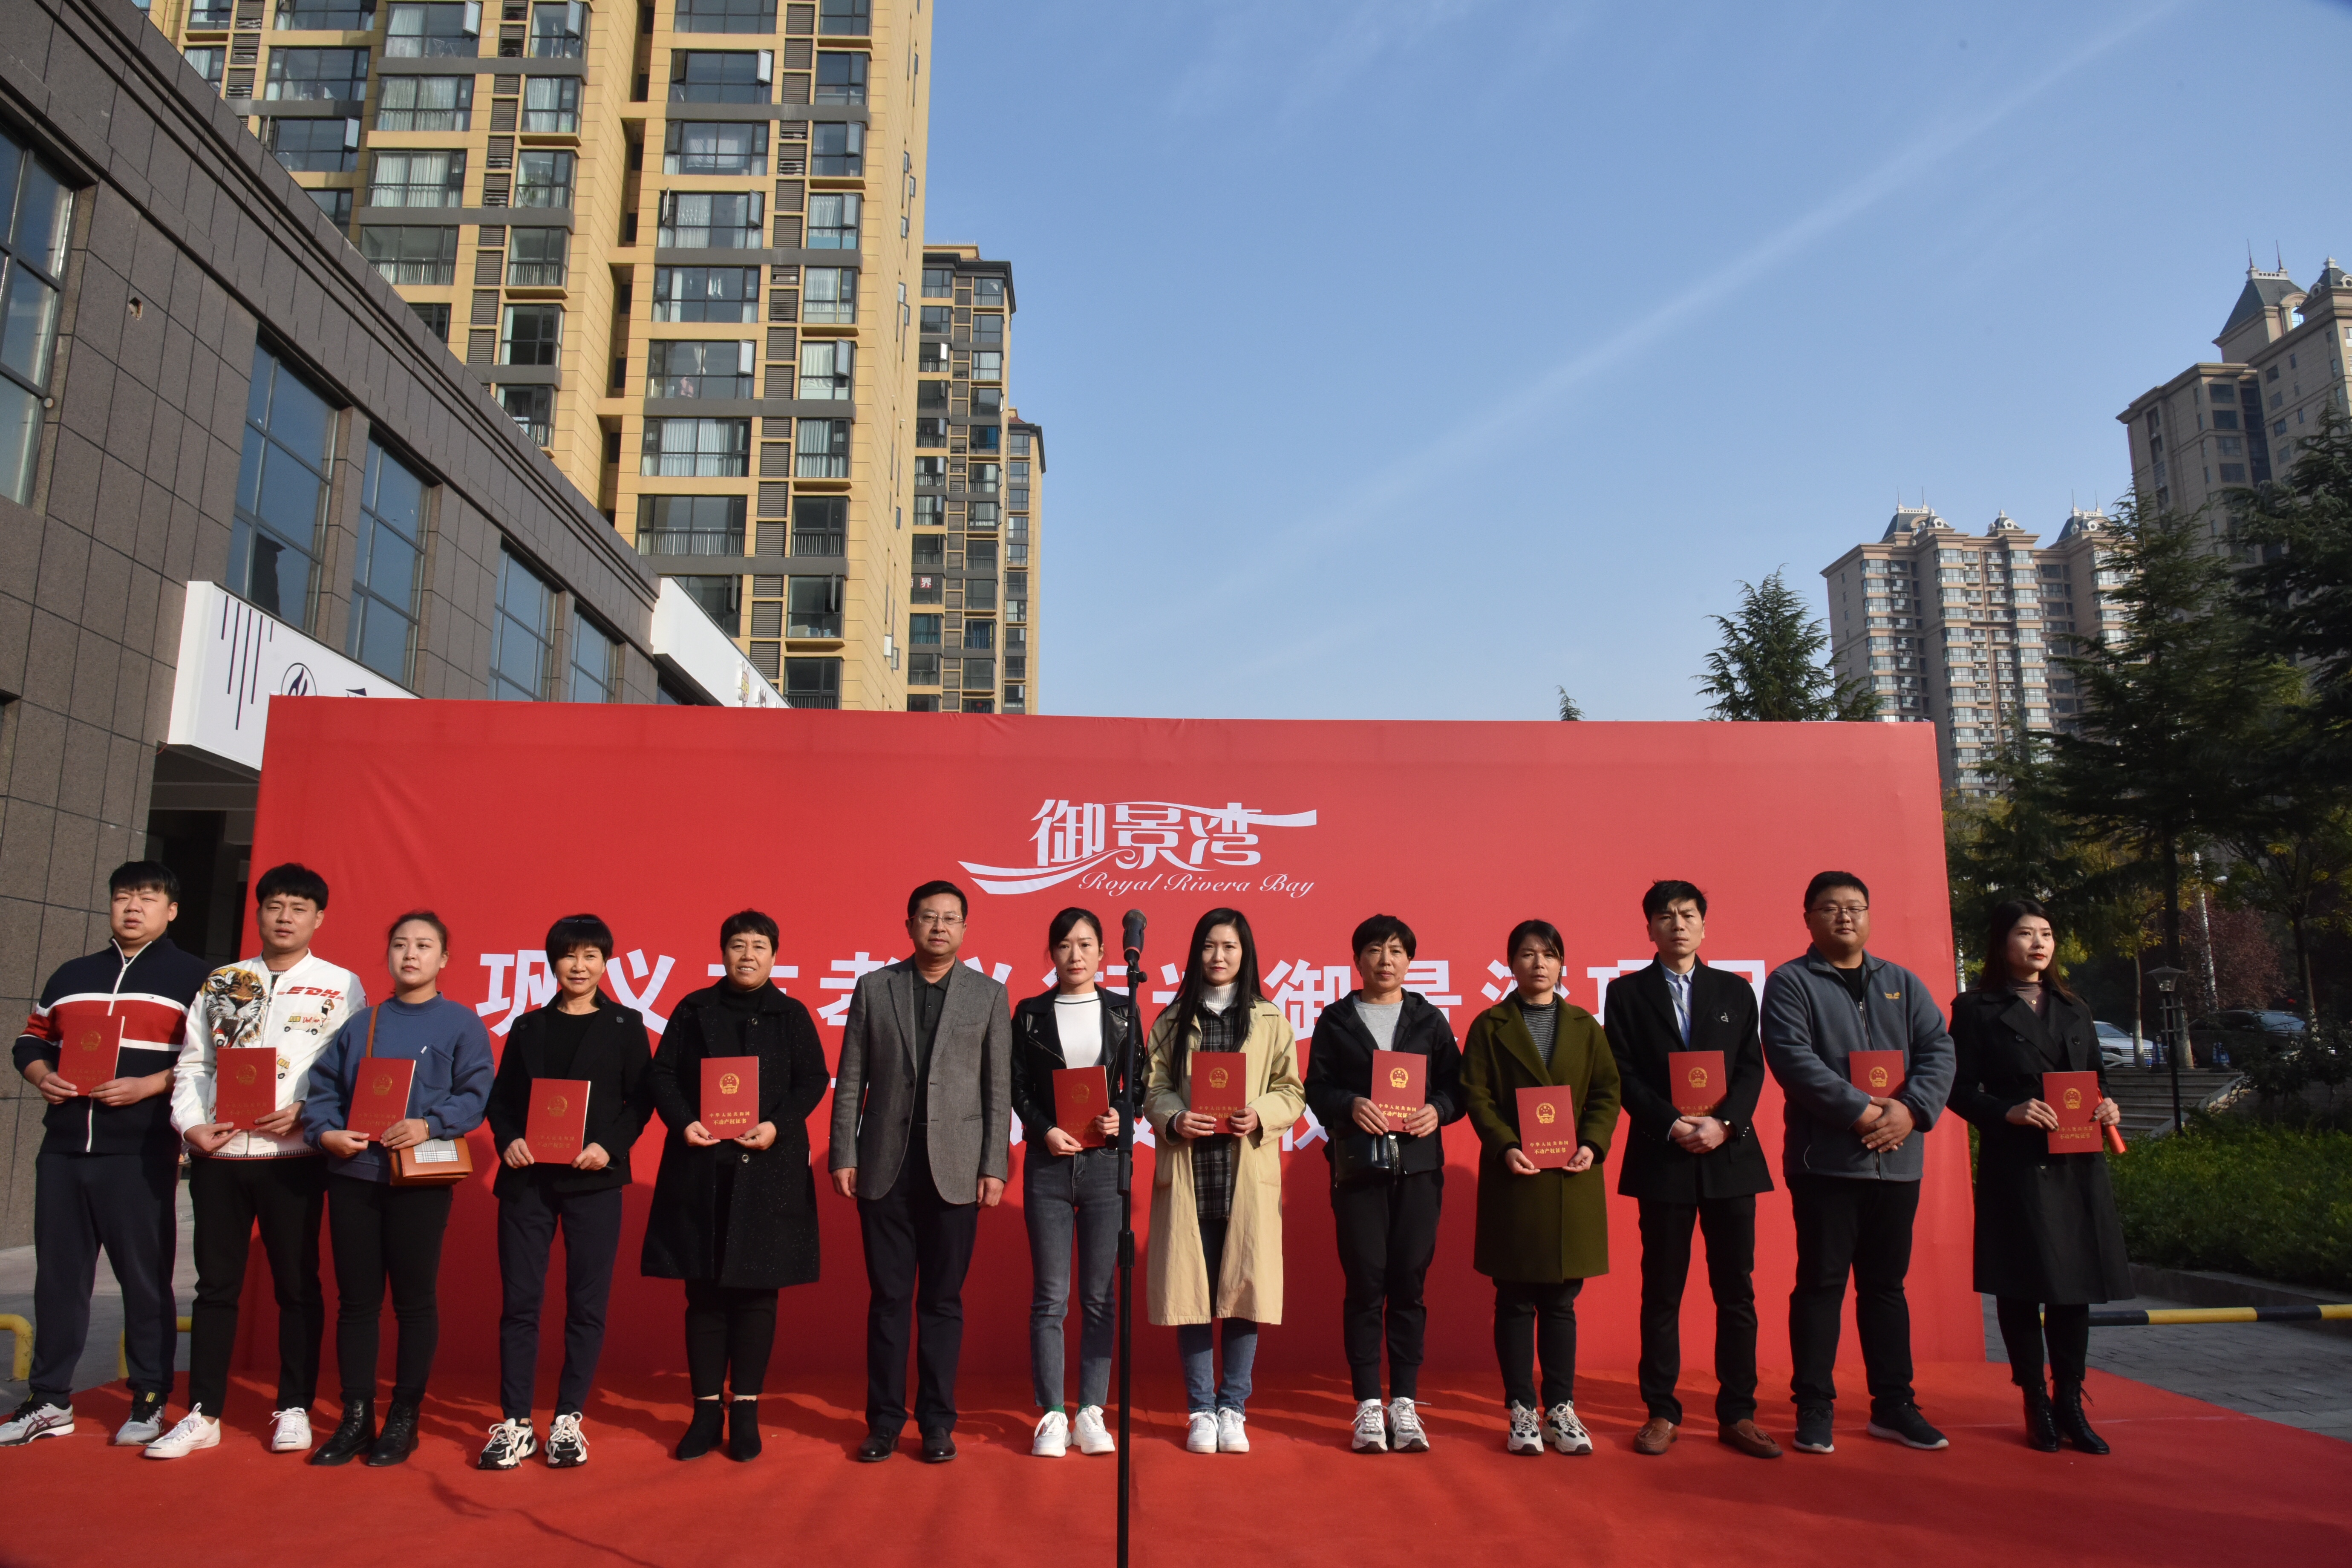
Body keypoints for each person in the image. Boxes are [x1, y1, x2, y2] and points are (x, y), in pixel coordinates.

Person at [148, 864, 366, 1461]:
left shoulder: (341, 986)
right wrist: (191, 1126)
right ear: (259, 912)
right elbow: (196, 1064)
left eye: (298, 907)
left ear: (318, 918)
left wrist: (309, 1112)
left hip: (293, 1157)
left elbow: (350, 1070)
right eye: (275, 905)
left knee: (297, 1284)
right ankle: (204, 1412)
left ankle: (294, 1406)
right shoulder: (225, 981)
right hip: (220, 1155)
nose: (285, 917)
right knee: (215, 1287)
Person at [0, 862, 208, 1450]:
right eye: (123, 897)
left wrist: (148, 1086)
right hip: (64, 1149)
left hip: (139, 1152)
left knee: (144, 1280)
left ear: (172, 910)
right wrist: (42, 1074)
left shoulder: (196, 978)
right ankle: (49, 1400)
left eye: (147, 898)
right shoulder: (73, 974)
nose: (133, 907)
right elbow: (30, 1039)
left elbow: (209, 1060)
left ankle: (150, 1396)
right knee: (58, 1279)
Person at [1761, 871, 1956, 1456]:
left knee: (1886, 1287)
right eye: (1830, 908)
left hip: (1898, 1161)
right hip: (1827, 1164)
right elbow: (1793, 1059)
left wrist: (1911, 1111)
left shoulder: (1902, 982)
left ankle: (1894, 1405)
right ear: (1808, 918)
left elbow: (1939, 1050)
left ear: (1869, 915)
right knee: (1821, 1284)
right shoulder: (1791, 982)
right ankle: (1814, 1405)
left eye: (1855, 907)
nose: (1844, 917)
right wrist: (1862, 1112)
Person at [300, 911, 494, 1468]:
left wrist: (430, 1124)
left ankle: (405, 1416)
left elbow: (476, 1092)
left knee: (414, 1301)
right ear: (388, 954)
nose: (411, 954)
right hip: (354, 1175)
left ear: (444, 959)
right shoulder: (363, 1023)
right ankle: (356, 1415)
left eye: (424, 945)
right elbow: (323, 1091)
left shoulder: (461, 1024)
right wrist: (326, 1132)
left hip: (420, 1180)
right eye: (401, 944)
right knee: (357, 1302)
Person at [831, 880, 1012, 1464]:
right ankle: (884, 1421)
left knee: (942, 1300)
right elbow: (851, 1077)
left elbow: (998, 1088)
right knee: (888, 1299)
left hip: (956, 1168)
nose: (939, 927)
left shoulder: (988, 995)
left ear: (965, 929)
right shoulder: (874, 987)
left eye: (950, 918)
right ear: (909, 924)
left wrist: (994, 1164)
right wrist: (844, 1152)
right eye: (929, 917)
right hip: (885, 1165)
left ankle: (937, 1422)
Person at [642, 909, 827, 1462]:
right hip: (702, 1166)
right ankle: (705, 1412)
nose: (748, 955)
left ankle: (745, 1409)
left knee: (757, 1293)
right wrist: (683, 1122)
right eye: (738, 945)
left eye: (759, 946)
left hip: (767, 1169)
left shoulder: (791, 1014)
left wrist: (777, 1125)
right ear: (722, 952)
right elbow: (661, 1074)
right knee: (702, 1292)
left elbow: (812, 1079)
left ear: (775, 955)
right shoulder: (694, 1009)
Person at [1603, 880, 1779, 1460]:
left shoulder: (1734, 989)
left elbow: (1751, 1068)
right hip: (1664, 1156)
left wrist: (1724, 1124)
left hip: (1729, 1157)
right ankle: (1661, 1411)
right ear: (1649, 928)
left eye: (1687, 914)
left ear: (1704, 925)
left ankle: (1738, 1413)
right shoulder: (1626, 994)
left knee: (1736, 1291)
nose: (1677, 924)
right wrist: (1672, 1123)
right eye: (1665, 916)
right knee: (1662, 1290)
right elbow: (1623, 1072)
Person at [1948, 897, 2129, 1455]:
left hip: (2078, 1160)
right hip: (2018, 1162)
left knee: (2076, 1286)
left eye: (2046, 934)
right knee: (2022, 1283)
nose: (2039, 944)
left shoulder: (2075, 1007)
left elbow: (2095, 1077)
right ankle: (2034, 1398)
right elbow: (1957, 1089)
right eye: (2026, 934)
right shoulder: (1976, 1009)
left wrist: (2108, 1105)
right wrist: (2008, 1111)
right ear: (2002, 943)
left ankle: (2070, 1397)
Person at [479, 914, 656, 1470]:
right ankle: (515, 1422)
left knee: (586, 1303)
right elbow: (501, 1100)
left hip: (594, 1181)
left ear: (606, 962)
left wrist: (609, 1146)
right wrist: (508, 1139)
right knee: (520, 1303)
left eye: (590, 956)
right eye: (569, 955)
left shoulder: (625, 1024)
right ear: (553, 961)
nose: (579, 966)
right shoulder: (528, 1026)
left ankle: (567, 1420)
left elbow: (642, 1101)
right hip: (528, 1180)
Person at [1142, 908, 1305, 1457]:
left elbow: (1291, 1089)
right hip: (1191, 1170)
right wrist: (1173, 1115)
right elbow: (1153, 1085)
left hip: (1244, 1172)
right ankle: (1200, 1409)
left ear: (1245, 953)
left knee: (1242, 1293)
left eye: (1230, 946)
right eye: (1210, 946)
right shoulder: (1171, 1019)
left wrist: (1260, 1113)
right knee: (1190, 1293)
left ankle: (1233, 1406)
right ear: (1197, 952)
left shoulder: (1269, 1018)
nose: (1219, 956)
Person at [1300, 913, 1463, 1454]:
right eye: (1374, 949)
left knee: (1409, 1282)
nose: (1385, 960)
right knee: (1367, 1282)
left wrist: (1438, 1109)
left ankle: (1406, 1402)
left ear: (1410, 960)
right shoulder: (1337, 1018)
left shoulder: (1428, 1018)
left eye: (1396, 950)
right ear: (1358, 959)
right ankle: (1369, 1403)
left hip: (1418, 1169)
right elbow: (1315, 1088)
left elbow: (1457, 1086)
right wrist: (1350, 1103)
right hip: (1359, 1171)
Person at [1460, 919, 1621, 1457]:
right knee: (1513, 1298)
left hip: (1571, 1178)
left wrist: (1593, 1143)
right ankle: (1521, 1409)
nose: (1539, 963)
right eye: (1527, 954)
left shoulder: (1585, 1025)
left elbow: (1606, 1092)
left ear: (1562, 963)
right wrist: (1505, 1143)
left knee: (1561, 1300)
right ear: (1511, 963)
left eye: (1549, 954)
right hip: (1516, 1175)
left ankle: (1561, 1408)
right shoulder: (1491, 1025)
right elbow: (1476, 1094)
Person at [1008, 907, 1134, 1458]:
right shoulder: (1030, 1014)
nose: (1075, 955)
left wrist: (1120, 1115)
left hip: (1105, 1166)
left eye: (1085, 944)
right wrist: (1045, 1129)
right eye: (1064, 945)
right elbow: (1017, 1086)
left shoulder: (1124, 1011)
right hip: (1049, 1164)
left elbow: (1139, 1084)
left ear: (1104, 952)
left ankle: (1092, 1412)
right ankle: (1054, 1412)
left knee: (1100, 1297)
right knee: (1051, 1297)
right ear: (1052, 953)